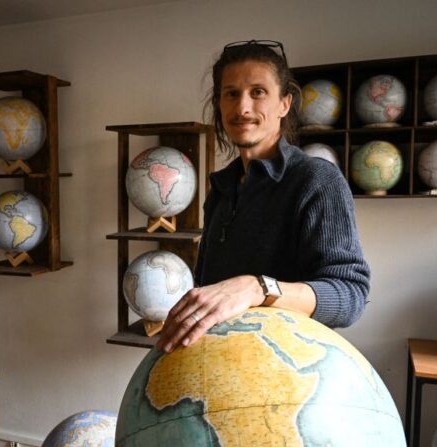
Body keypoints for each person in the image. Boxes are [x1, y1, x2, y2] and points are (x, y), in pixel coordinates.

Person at [156, 40, 370, 353]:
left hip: (285, 376)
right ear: (219, 104)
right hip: (221, 365)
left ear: (285, 103)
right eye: (231, 93)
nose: (243, 108)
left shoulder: (316, 180)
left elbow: (350, 295)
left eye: (258, 92)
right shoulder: (221, 189)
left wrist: (258, 288)